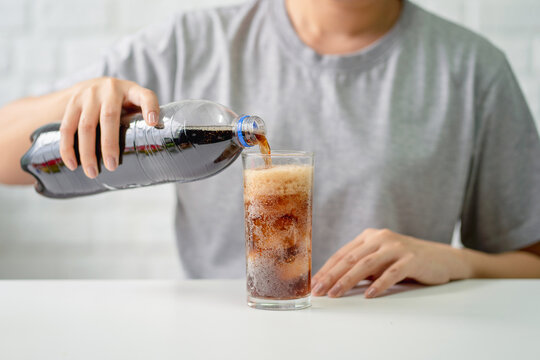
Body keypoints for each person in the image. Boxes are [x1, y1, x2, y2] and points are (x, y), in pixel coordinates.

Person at [0, 0, 539, 298]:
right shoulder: (193, 42)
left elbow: (530, 261)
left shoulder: (472, 70)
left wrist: (461, 262)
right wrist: (80, 100)